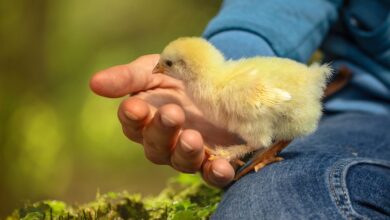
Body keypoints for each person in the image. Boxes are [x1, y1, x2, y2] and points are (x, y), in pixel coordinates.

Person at [90, 0, 390, 219]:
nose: (160, 68)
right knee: (274, 200)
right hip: (367, 109)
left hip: (291, 99)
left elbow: (274, 96)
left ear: (187, 67)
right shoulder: (216, 82)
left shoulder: (227, 87)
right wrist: (238, 45)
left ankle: (260, 152)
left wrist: (241, 147)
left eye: (167, 65)